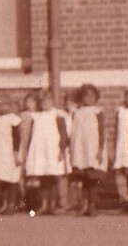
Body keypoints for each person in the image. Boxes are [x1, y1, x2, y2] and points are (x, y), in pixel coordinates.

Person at [21, 89, 69, 215]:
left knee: (53, 178)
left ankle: (52, 205)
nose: (45, 104)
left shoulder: (58, 116)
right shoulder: (36, 117)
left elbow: (64, 135)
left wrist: (62, 150)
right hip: (39, 151)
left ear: (52, 102)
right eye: (43, 102)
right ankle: (43, 204)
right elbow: (31, 135)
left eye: (48, 101)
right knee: (42, 178)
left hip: (53, 151)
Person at [67, 85, 106, 216]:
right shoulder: (77, 113)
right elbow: (74, 132)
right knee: (83, 177)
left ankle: (92, 205)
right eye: (86, 96)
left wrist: (100, 149)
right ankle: (84, 205)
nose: (89, 98)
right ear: (81, 97)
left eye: (92, 96)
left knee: (93, 178)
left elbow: (101, 132)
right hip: (81, 149)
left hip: (93, 148)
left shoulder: (97, 112)